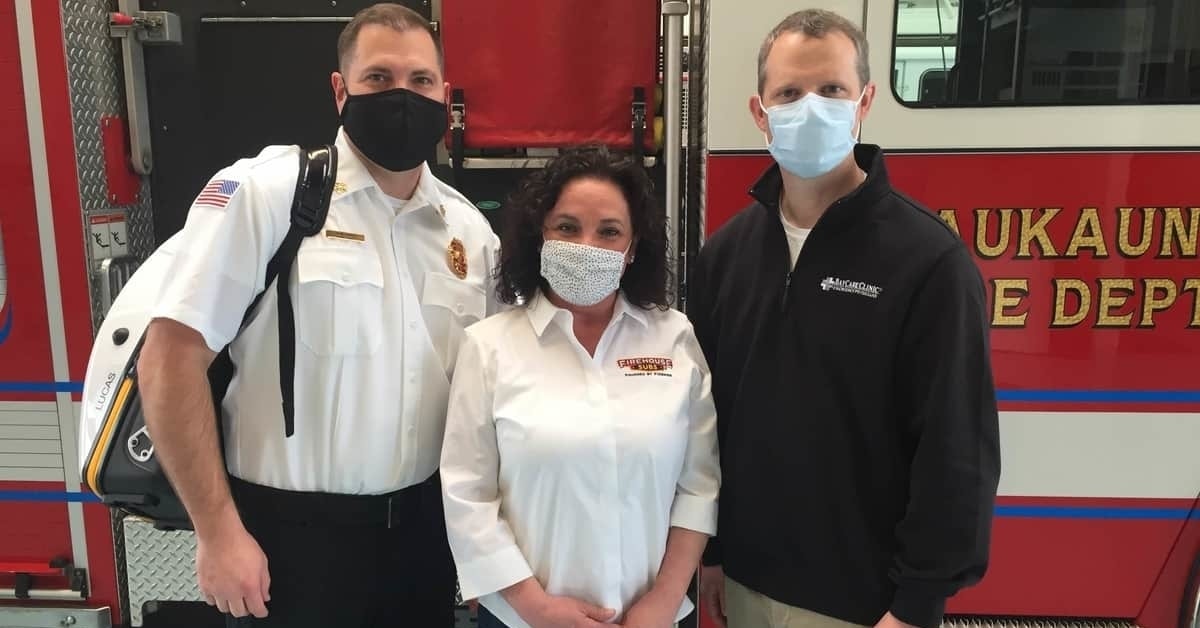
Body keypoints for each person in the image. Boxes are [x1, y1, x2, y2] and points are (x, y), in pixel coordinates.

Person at [134, 4, 500, 627]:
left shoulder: (469, 233)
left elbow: (486, 400)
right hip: (287, 546)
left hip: (422, 542)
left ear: (444, 93)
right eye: (379, 79)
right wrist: (219, 534)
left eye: (420, 81)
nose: (401, 97)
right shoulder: (270, 195)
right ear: (340, 90)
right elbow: (170, 358)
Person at [690, 9, 1001, 628]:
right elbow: (706, 422)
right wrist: (713, 555)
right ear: (760, 113)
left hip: (866, 605)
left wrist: (915, 605)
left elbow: (955, 448)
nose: (811, 107)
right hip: (747, 585)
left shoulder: (929, 262)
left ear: (864, 102)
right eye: (789, 93)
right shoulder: (725, 256)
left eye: (831, 90)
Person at [439, 145, 721, 628]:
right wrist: (535, 607)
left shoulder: (674, 337)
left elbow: (698, 486)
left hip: (648, 619)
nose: (587, 245)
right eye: (568, 227)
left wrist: (665, 600)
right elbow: (468, 495)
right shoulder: (489, 347)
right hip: (523, 621)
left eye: (609, 231)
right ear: (540, 235)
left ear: (633, 249)